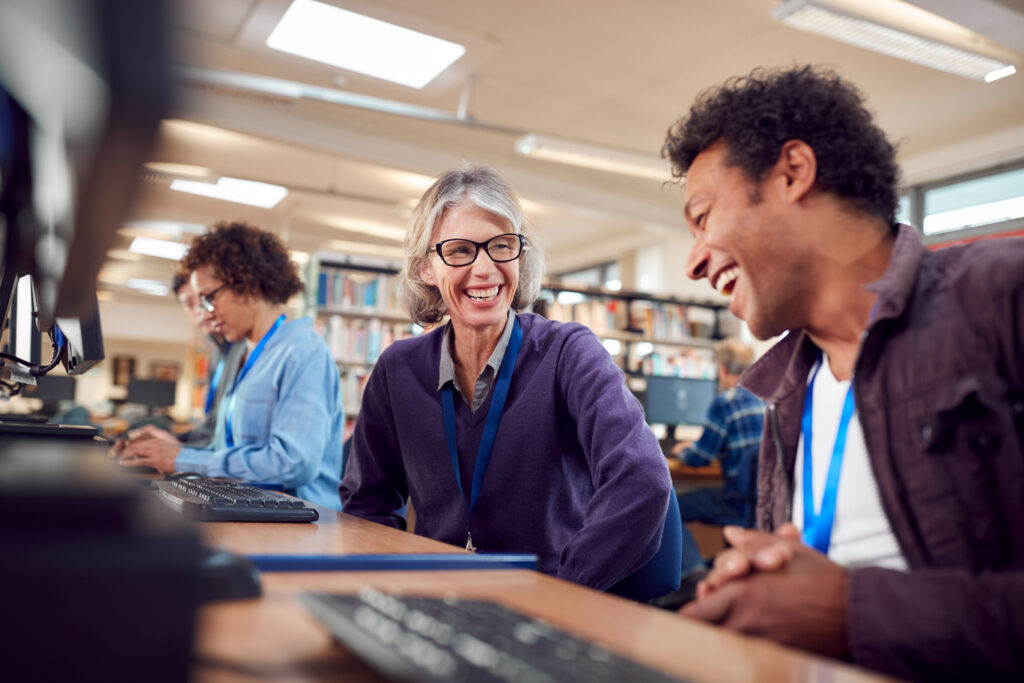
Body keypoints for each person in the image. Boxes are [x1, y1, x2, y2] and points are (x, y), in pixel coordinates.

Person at [661, 64, 1024, 680]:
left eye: (702, 217)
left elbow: (844, 605)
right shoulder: (785, 391)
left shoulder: (1001, 297)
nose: (693, 262)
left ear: (792, 173)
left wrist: (854, 611)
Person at [340, 163, 676, 592]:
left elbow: (642, 479)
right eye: (460, 251)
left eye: (501, 246)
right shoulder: (397, 369)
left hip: (545, 602)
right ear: (426, 268)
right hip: (438, 597)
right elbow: (366, 501)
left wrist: (564, 595)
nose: (485, 269)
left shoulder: (569, 353)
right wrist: (386, 589)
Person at [115, 222, 344, 511]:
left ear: (248, 283)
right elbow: (228, 452)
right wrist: (164, 450)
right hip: (245, 506)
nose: (206, 312)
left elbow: (292, 465)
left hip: (301, 519)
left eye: (210, 297)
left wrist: (180, 458)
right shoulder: (243, 354)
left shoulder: (303, 351)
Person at [673, 338, 764, 576]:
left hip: (736, 501)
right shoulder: (767, 399)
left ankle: (692, 572)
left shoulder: (725, 403)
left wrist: (683, 451)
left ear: (722, 369)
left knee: (668, 506)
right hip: (764, 503)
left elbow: (700, 458)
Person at [163, 271, 244, 446]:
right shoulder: (217, 352)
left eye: (206, 300)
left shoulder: (244, 350)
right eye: (191, 304)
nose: (202, 311)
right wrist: (173, 441)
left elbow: (224, 439)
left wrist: (178, 450)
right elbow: (211, 427)